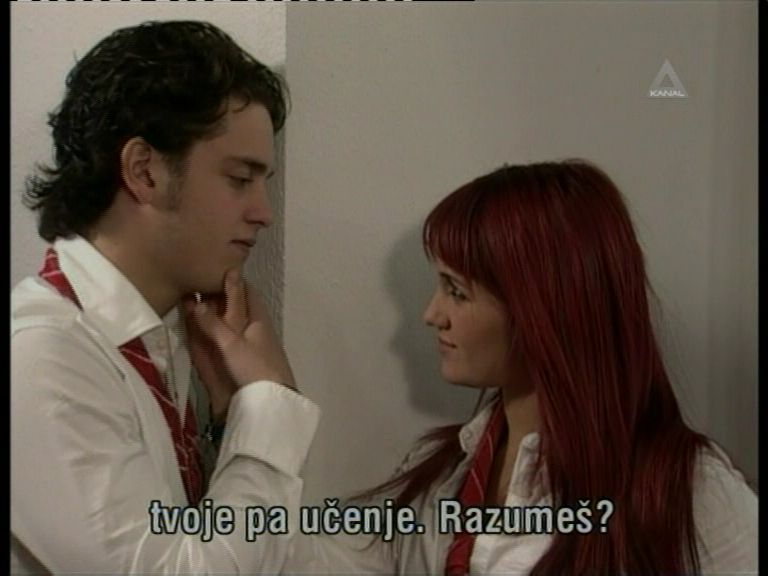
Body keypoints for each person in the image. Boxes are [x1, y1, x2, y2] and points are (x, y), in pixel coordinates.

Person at [285, 160, 758, 575]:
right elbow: (308, 561)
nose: (432, 314)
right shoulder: (441, 472)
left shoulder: (689, 490)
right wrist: (267, 393)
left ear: (543, 309)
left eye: (456, 291)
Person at [11, 20, 320, 574]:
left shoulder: (167, 340)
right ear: (144, 172)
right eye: (240, 179)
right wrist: (267, 406)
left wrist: (226, 423)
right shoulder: (43, 357)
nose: (264, 213)